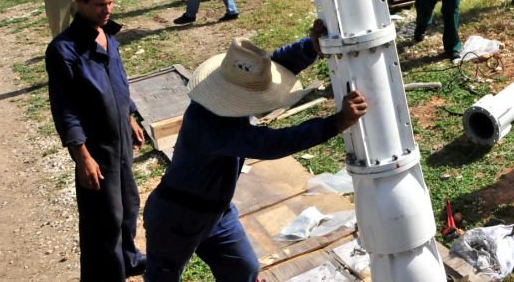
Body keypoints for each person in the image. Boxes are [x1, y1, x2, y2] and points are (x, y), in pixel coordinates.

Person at [143, 24, 368, 281]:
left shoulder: (228, 91)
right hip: (177, 215)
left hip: (218, 212)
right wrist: (335, 123)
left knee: (243, 271)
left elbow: (271, 68)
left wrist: (309, 48)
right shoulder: (207, 123)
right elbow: (271, 144)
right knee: (163, 277)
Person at [45, 0, 146, 280]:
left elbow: (119, 83)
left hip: (121, 143)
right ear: (79, 1)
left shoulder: (108, 35)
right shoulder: (64, 50)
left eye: (111, 3)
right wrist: (82, 157)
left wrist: (129, 116)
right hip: (97, 149)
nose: (108, 10)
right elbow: (66, 110)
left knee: (128, 207)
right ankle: (107, 274)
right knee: (104, 219)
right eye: (100, 5)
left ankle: (129, 259)